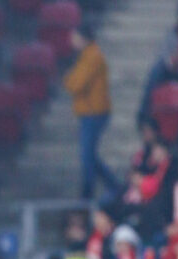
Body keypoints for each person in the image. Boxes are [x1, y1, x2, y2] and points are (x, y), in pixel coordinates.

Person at [63, 26, 117, 198]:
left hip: (94, 112)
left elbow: (75, 84)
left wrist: (69, 79)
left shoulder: (92, 56)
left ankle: (89, 192)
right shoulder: (86, 55)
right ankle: (114, 185)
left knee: (87, 155)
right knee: (90, 155)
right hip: (90, 111)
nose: (72, 41)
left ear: (83, 38)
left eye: (75, 37)